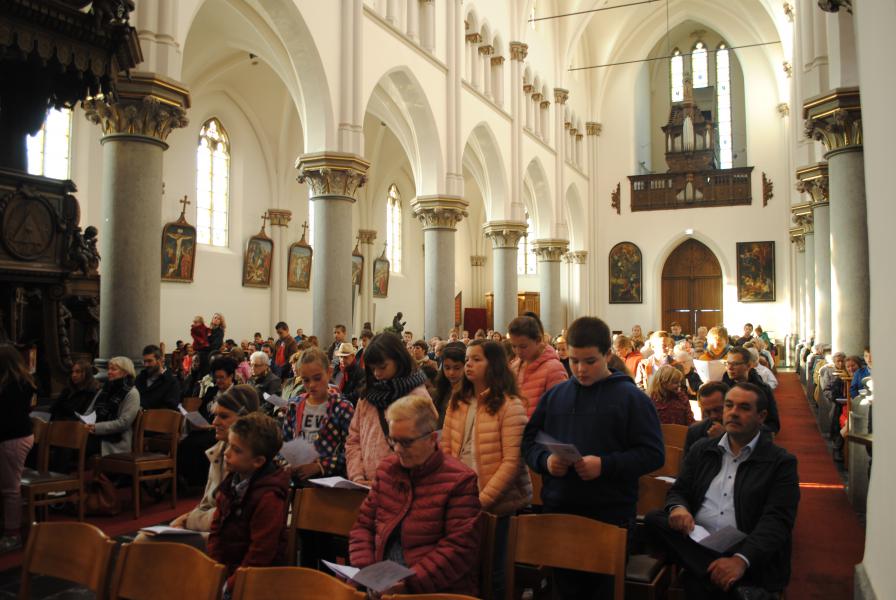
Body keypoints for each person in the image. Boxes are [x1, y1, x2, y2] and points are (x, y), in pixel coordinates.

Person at [522, 317, 664, 599]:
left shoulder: (631, 398)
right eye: (573, 361)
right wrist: (545, 462)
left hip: (608, 514)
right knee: (563, 590)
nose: (580, 370)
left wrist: (606, 465)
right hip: (560, 511)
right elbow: (529, 441)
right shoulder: (557, 395)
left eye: (590, 361)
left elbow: (653, 454)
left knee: (602, 592)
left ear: (608, 355)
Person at [645, 383, 800, 599]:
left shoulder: (780, 462)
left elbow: (777, 521)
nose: (733, 413)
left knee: (699, 580)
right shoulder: (703, 449)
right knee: (654, 519)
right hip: (699, 538)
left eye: (744, 408)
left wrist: (740, 560)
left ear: (761, 416)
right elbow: (679, 490)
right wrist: (679, 509)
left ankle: (719, 574)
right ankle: (735, 586)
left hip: (744, 546)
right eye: (729, 406)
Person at [349, 395, 481, 596]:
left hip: (430, 589)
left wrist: (408, 583)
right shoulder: (387, 470)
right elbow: (363, 526)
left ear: (431, 438)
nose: (398, 450)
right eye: (393, 441)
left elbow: (458, 549)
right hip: (380, 582)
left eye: (406, 442)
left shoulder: (459, 480)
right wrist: (366, 571)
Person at [442, 340, 531, 597]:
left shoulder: (509, 405)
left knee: (494, 573)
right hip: (461, 501)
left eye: (476, 359)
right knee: (463, 571)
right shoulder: (457, 401)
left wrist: (480, 502)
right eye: (467, 359)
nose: (468, 364)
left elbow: (511, 463)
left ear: (494, 365)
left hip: (496, 506)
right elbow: (446, 451)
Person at [144, 385, 260, 549]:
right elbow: (207, 502)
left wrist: (189, 520)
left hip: (232, 539)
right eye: (215, 415)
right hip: (213, 528)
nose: (214, 422)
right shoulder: (219, 451)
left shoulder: (248, 459)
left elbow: (230, 516)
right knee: (150, 538)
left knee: (146, 544)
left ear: (244, 419)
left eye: (223, 416)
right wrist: (185, 519)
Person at [207, 412, 290, 592]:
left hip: (258, 579)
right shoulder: (230, 483)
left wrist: (230, 585)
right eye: (229, 445)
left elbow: (261, 553)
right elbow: (216, 530)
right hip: (229, 567)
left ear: (258, 461)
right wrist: (215, 570)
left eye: (237, 450)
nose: (227, 453)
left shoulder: (269, 497)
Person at [345, 332, 430, 485]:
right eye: (372, 369)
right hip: (365, 484)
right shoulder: (367, 396)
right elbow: (353, 439)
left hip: (400, 487)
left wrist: (386, 484)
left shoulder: (417, 396)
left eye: (382, 367)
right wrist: (357, 477)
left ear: (398, 360)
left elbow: (421, 450)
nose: (377, 374)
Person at [280, 348, 355, 480]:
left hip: (328, 484)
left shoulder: (342, 408)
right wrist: (286, 464)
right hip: (298, 482)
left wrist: (320, 466)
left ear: (329, 372)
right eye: (306, 380)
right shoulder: (294, 405)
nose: (312, 385)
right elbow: (285, 444)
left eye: (317, 378)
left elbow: (352, 452)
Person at [0, 345, 36, 552]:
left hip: (13, 437)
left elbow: (8, 415)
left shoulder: (15, 385)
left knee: (10, 487)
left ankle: (12, 534)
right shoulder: (23, 381)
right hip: (14, 434)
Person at [508, 316, 568, 417]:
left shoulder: (554, 369)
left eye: (523, 346)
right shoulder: (515, 366)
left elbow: (559, 411)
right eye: (514, 346)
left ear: (538, 340)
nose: (518, 352)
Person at [86, 357, 141, 456]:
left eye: (113, 369)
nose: (109, 372)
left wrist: (96, 427)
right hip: (93, 433)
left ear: (125, 372)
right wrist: (84, 424)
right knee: (67, 440)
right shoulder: (105, 389)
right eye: (108, 369)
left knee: (77, 445)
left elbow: (123, 423)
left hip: (114, 441)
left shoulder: (132, 393)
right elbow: (89, 411)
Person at [721, 347, 780, 434]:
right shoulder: (723, 387)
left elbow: (773, 424)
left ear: (748, 365)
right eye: (727, 363)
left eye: (735, 364)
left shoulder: (763, 389)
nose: (730, 368)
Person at [684, 382, 729, 456]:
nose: (713, 416)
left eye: (717, 410)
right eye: (707, 412)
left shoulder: (743, 429)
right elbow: (689, 465)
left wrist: (725, 439)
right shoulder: (694, 432)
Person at [135, 344, 181, 410]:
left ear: (159, 360)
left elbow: (170, 408)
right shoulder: (140, 378)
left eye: (149, 361)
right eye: (144, 361)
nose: (146, 365)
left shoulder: (171, 382)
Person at [431, 342, 467, 426]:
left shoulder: (469, 391)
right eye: (447, 368)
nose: (451, 373)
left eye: (457, 368)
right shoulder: (441, 390)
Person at [331, 342, 365, 406]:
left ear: (352, 356)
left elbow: (357, 395)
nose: (342, 360)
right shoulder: (337, 368)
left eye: (345, 357)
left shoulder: (360, 373)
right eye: (341, 356)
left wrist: (339, 397)